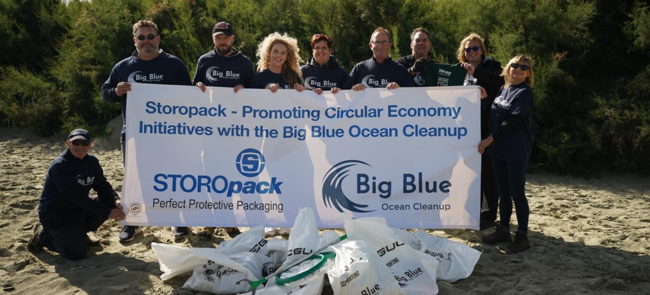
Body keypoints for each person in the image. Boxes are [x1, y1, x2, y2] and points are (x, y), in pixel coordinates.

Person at [101, 20, 192, 242]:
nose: (146, 41)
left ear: (159, 38)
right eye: (141, 37)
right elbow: (105, 93)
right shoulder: (123, 67)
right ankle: (133, 223)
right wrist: (116, 91)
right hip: (134, 136)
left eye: (150, 36)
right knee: (135, 180)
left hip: (170, 135)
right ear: (135, 40)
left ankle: (178, 222)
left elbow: (190, 96)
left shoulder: (174, 64)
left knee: (174, 178)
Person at [193, 21, 255, 239]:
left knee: (232, 178)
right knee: (213, 178)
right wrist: (197, 89)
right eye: (218, 37)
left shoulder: (245, 63)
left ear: (233, 38)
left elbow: (256, 96)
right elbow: (192, 95)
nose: (222, 41)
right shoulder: (205, 61)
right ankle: (210, 224)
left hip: (237, 132)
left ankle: (230, 223)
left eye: (225, 37)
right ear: (213, 39)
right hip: (211, 133)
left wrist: (245, 91)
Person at [28, 129, 126, 260]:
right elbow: (75, 198)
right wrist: (108, 212)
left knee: (108, 202)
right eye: (76, 142)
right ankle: (42, 235)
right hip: (56, 216)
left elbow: (102, 185)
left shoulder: (92, 161)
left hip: (78, 210)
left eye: (84, 143)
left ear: (90, 145)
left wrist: (116, 200)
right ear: (68, 143)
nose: (80, 146)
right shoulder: (60, 165)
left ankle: (80, 233)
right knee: (76, 254)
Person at [478, 55, 535, 254]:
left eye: (524, 67)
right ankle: (503, 229)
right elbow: (494, 114)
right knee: (503, 192)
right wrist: (486, 100)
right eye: (515, 65)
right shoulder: (504, 88)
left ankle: (522, 235)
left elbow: (510, 122)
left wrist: (488, 139)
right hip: (499, 149)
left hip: (516, 149)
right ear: (508, 68)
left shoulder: (525, 93)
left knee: (517, 193)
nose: (518, 69)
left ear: (528, 73)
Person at [457, 33, 505, 230]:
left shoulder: (492, 66)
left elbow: (500, 82)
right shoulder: (459, 71)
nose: (471, 52)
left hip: (485, 127)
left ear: (482, 50)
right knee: (468, 172)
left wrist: (475, 71)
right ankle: (471, 211)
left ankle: (489, 214)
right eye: (468, 49)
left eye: (475, 48)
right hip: (463, 128)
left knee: (487, 173)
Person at [345, 27, 414, 91]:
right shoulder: (359, 69)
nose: (380, 46)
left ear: (390, 45)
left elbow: (412, 97)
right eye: (377, 42)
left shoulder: (401, 71)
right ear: (371, 46)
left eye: (384, 42)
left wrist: (400, 90)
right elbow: (344, 96)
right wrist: (353, 90)